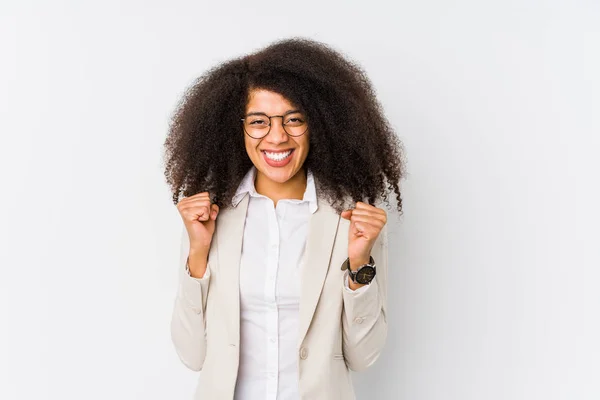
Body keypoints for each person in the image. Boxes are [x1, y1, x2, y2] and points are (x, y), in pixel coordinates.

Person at [163, 37, 405, 400]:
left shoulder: (350, 220)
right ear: (237, 127)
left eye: (294, 119)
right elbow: (192, 354)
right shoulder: (210, 218)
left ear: (319, 124)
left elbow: (363, 356)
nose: (277, 137)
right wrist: (197, 255)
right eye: (259, 121)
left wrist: (359, 265)